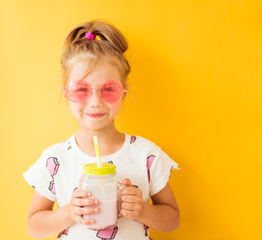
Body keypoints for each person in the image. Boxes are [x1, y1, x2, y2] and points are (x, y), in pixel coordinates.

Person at [23, 20, 180, 240]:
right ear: (66, 93)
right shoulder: (56, 159)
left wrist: (144, 211)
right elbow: (34, 228)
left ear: (123, 92)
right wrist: (69, 212)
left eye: (107, 89)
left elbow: (172, 220)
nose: (95, 101)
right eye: (82, 90)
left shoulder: (146, 154)